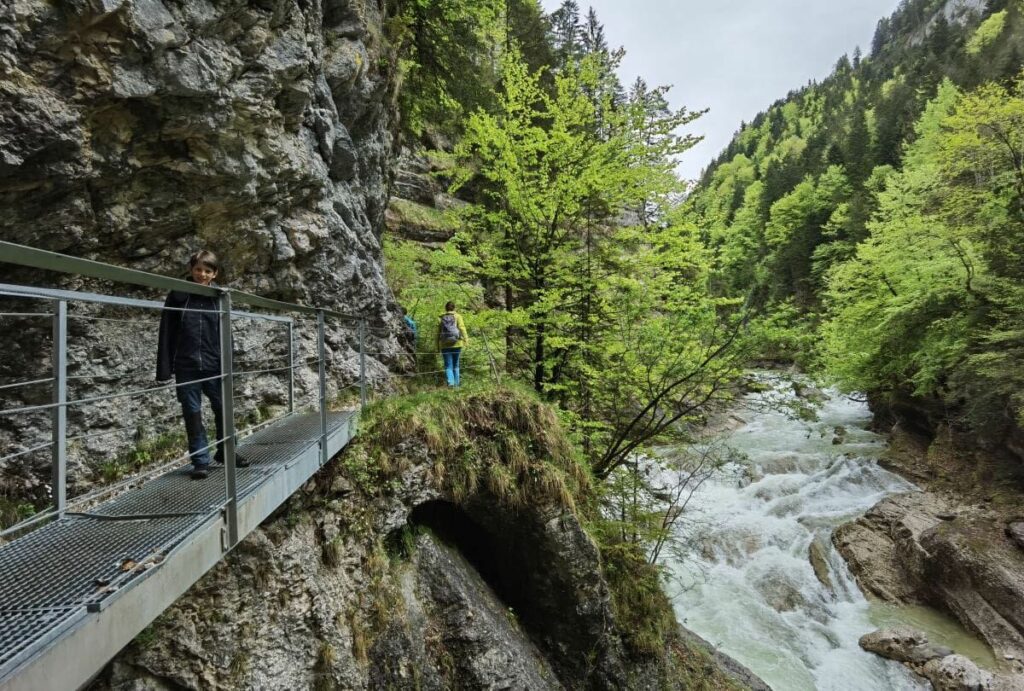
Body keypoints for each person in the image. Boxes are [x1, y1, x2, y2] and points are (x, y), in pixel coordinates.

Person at [156, 250, 249, 479]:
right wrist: (165, 367)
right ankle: (200, 461)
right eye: (198, 269)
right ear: (191, 269)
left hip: (215, 364)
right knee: (192, 412)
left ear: (214, 273)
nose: (202, 274)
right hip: (187, 365)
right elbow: (166, 330)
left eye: (207, 271)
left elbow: (226, 333)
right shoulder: (178, 295)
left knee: (223, 409)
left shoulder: (218, 297)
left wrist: (228, 363)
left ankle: (227, 452)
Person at [437, 301, 468, 387]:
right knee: (456, 364)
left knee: (448, 365)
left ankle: (451, 382)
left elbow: (438, 333)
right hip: (457, 343)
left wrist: (437, 346)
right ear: (454, 308)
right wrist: (466, 340)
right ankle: (457, 386)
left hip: (444, 345)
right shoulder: (458, 316)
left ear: (445, 308)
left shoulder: (441, 318)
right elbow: (462, 328)